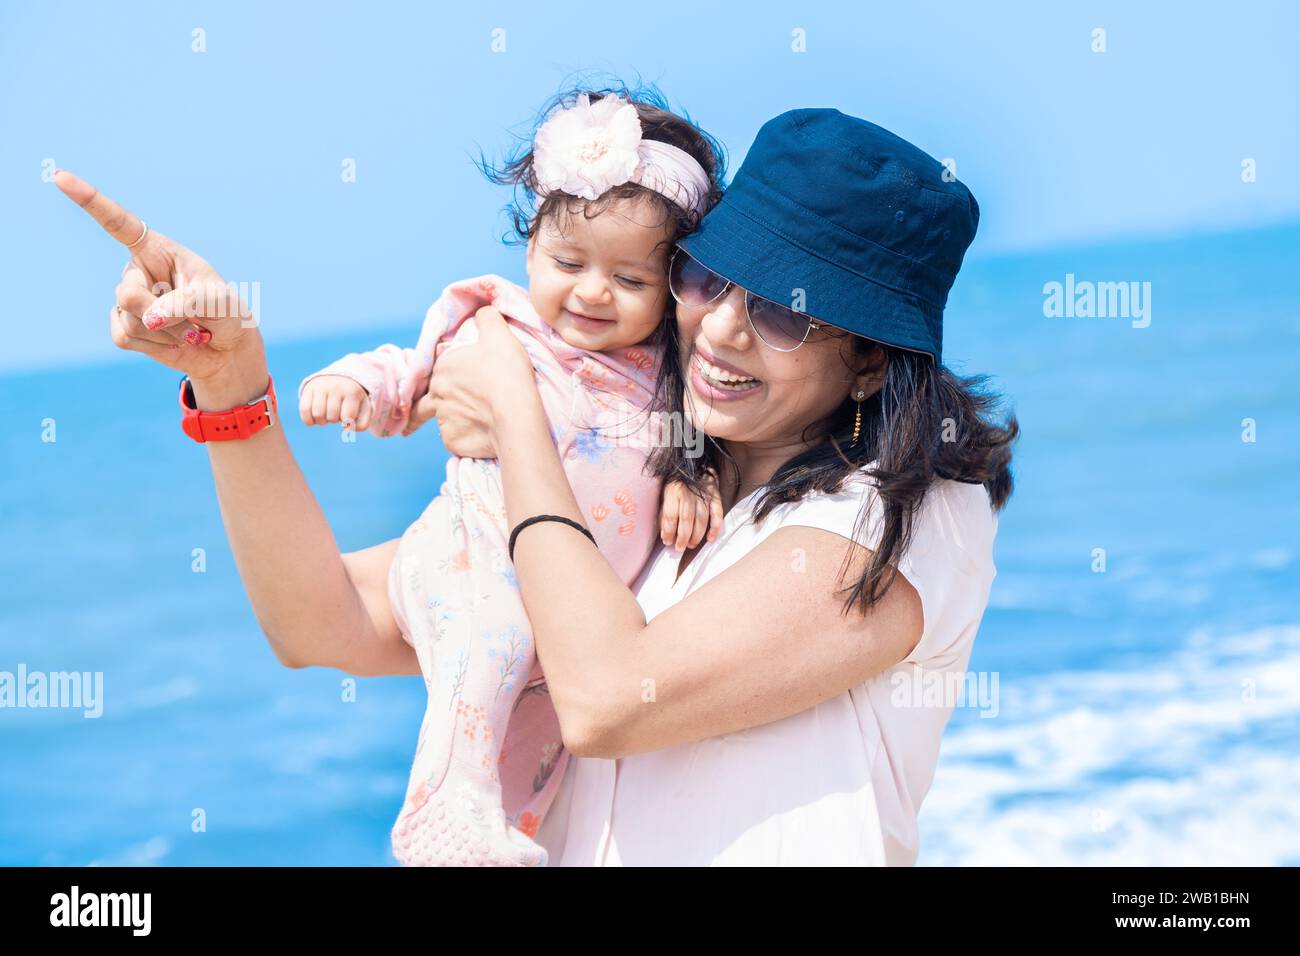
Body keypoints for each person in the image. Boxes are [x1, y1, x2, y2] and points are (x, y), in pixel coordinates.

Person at [55, 105, 1017, 866]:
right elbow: (321, 621)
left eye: (782, 314)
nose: (720, 330)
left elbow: (606, 697)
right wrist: (233, 390)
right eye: (706, 281)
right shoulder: (648, 496)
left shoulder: (910, 520)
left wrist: (513, 405)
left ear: (872, 363)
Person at [291, 88, 727, 866]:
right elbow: (410, 374)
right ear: (530, 250)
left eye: (630, 280)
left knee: (535, 749)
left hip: (569, 601)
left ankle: (489, 836)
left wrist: (697, 481)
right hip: (469, 552)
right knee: (490, 648)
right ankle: (433, 811)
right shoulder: (499, 322)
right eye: (568, 263)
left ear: (672, 290)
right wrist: (355, 385)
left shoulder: (669, 372)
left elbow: (690, 443)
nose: (593, 291)